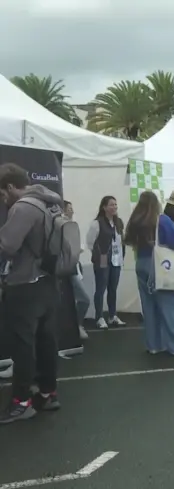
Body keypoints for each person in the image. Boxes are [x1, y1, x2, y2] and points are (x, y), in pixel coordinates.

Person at [0, 163, 63, 424]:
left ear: (12, 187)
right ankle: (48, 393)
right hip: (50, 281)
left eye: (2, 193)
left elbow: (8, 245)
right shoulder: (51, 202)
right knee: (46, 341)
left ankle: (22, 401)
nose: (2, 198)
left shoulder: (24, 207)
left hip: (26, 283)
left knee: (22, 345)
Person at [125, 191, 174, 355]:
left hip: (141, 263)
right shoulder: (162, 220)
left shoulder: (135, 220)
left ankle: (154, 344)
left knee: (149, 307)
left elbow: (128, 240)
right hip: (159, 265)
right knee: (170, 305)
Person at [85, 195, 126, 329]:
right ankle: (99, 317)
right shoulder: (97, 223)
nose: (114, 207)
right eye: (111, 205)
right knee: (101, 287)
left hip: (117, 258)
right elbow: (90, 242)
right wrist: (99, 255)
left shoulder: (118, 222)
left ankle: (112, 315)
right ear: (104, 207)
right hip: (103, 258)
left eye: (115, 204)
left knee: (113, 288)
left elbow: (121, 240)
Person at [63, 200, 90, 340]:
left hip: (75, 267)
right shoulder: (60, 227)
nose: (72, 211)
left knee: (83, 299)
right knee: (82, 299)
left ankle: (77, 325)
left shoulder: (72, 227)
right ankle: (75, 327)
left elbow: (79, 246)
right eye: (69, 209)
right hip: (64, 270)